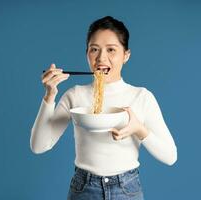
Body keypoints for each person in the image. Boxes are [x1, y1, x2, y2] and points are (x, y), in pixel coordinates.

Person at [30, 16, 177, 200]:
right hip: (83, 188)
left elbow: (170, 156)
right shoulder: (75, 95)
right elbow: (39, 146)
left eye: (111, 50)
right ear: (87, 54)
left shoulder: (141, 97)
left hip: (126, 189)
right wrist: (50, 95)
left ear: (126, 55)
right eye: (94, 50)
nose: (101, 58)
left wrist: (139, 129)